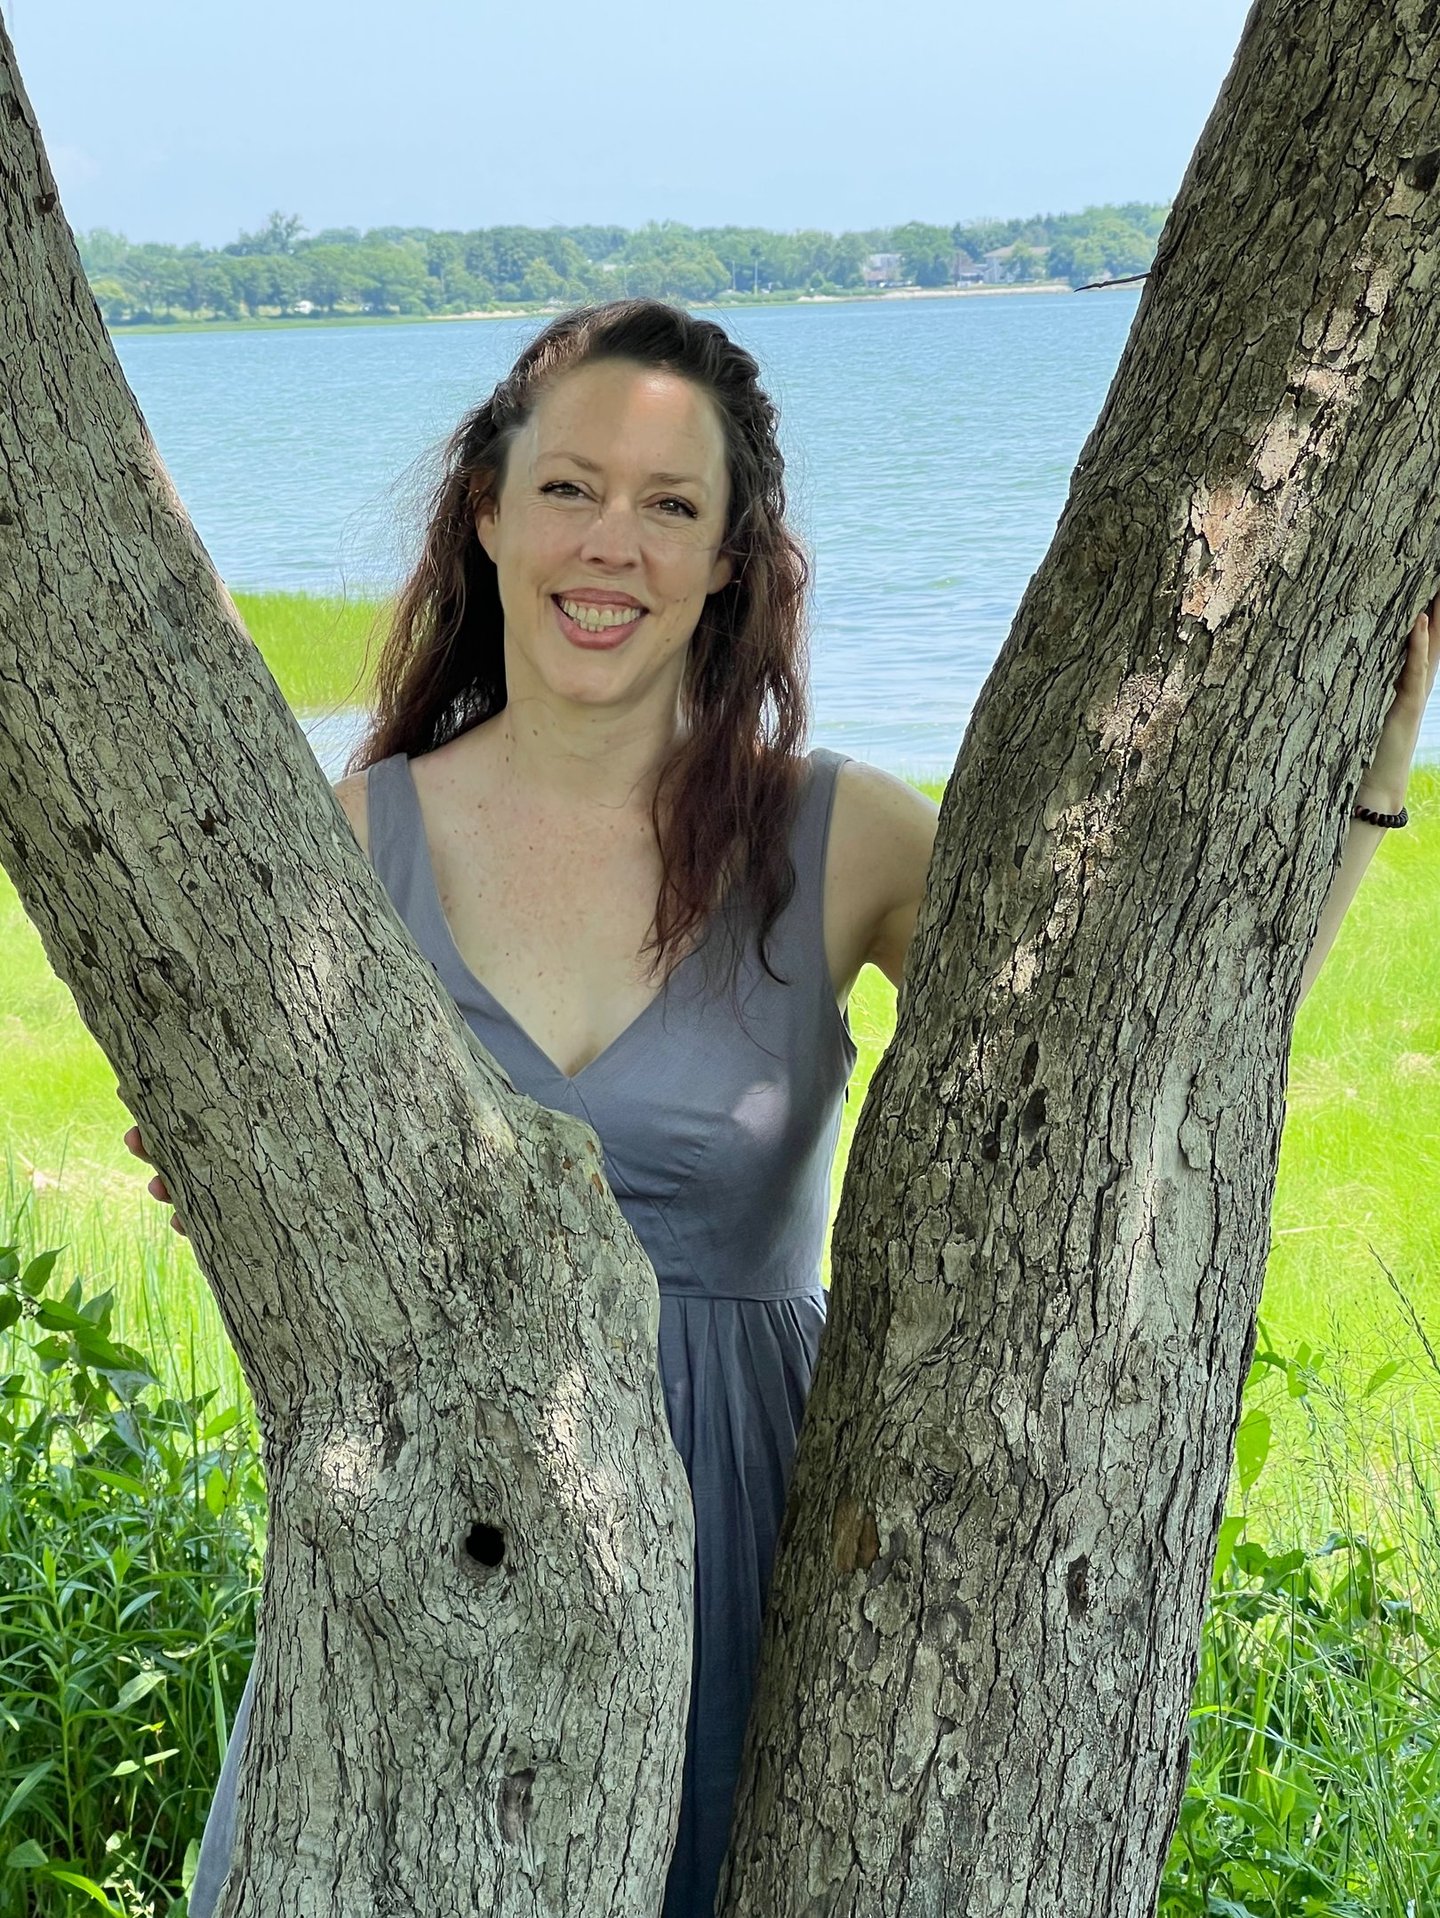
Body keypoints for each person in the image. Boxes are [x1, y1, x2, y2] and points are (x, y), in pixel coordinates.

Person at [122, 298, 1438, 1917]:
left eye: (672, 506)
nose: (614, 545)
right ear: (486, 509)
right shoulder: (347, 839)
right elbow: (249, 1178)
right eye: (571, 488)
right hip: (433, 1553)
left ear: (734, 557)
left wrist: (1374, 775)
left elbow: (1144, 1049)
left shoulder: (843, 838)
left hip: (747, 1540)